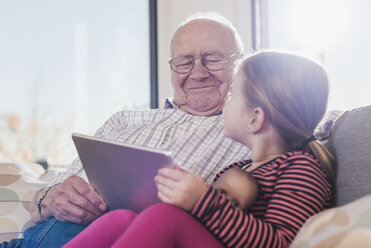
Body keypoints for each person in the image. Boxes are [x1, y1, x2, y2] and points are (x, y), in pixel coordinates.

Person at [0, 13, 251, 248]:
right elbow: (38, 207)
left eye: (213, 59)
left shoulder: (251, 135)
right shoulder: (124, 120)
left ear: (239, 63)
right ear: (172, 69)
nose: (198, 72)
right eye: (184, 62)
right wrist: (51, 199)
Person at [63, 51, 335, 248]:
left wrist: (201, 201)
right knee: (122, 217)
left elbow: (280, 244)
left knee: (164, 217)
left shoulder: (301, 169)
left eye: (231, 96)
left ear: (255, 118)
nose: (224, 102)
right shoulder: (238, 169)